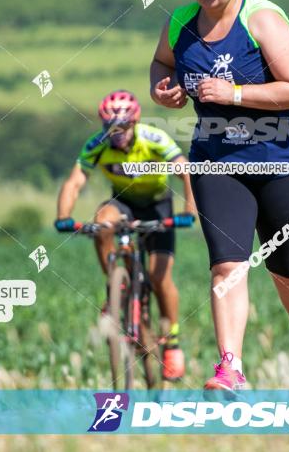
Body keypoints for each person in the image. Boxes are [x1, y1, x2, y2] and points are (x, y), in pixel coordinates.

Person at [149, 0, 289, 390]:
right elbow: (163, 62)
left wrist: (233, 94)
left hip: (282, 158)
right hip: (215, 160)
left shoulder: (263, 19)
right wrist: (162, 89)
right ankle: (230, 368)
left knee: (286, 267)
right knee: (227, 264)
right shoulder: (180, 20)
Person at [54, 89, 196, 381]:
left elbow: (186, 172)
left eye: (123, 127)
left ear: (135, 123)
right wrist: (63, 217)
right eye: (110, 128)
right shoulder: (97, 145)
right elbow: (74, 182)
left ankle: (172, 343)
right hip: (123, 203)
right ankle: (116, 286)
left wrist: (189, 211)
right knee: (101, 222)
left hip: (158, 205)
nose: (117, 134)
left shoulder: (154, 139)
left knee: (159, 278)